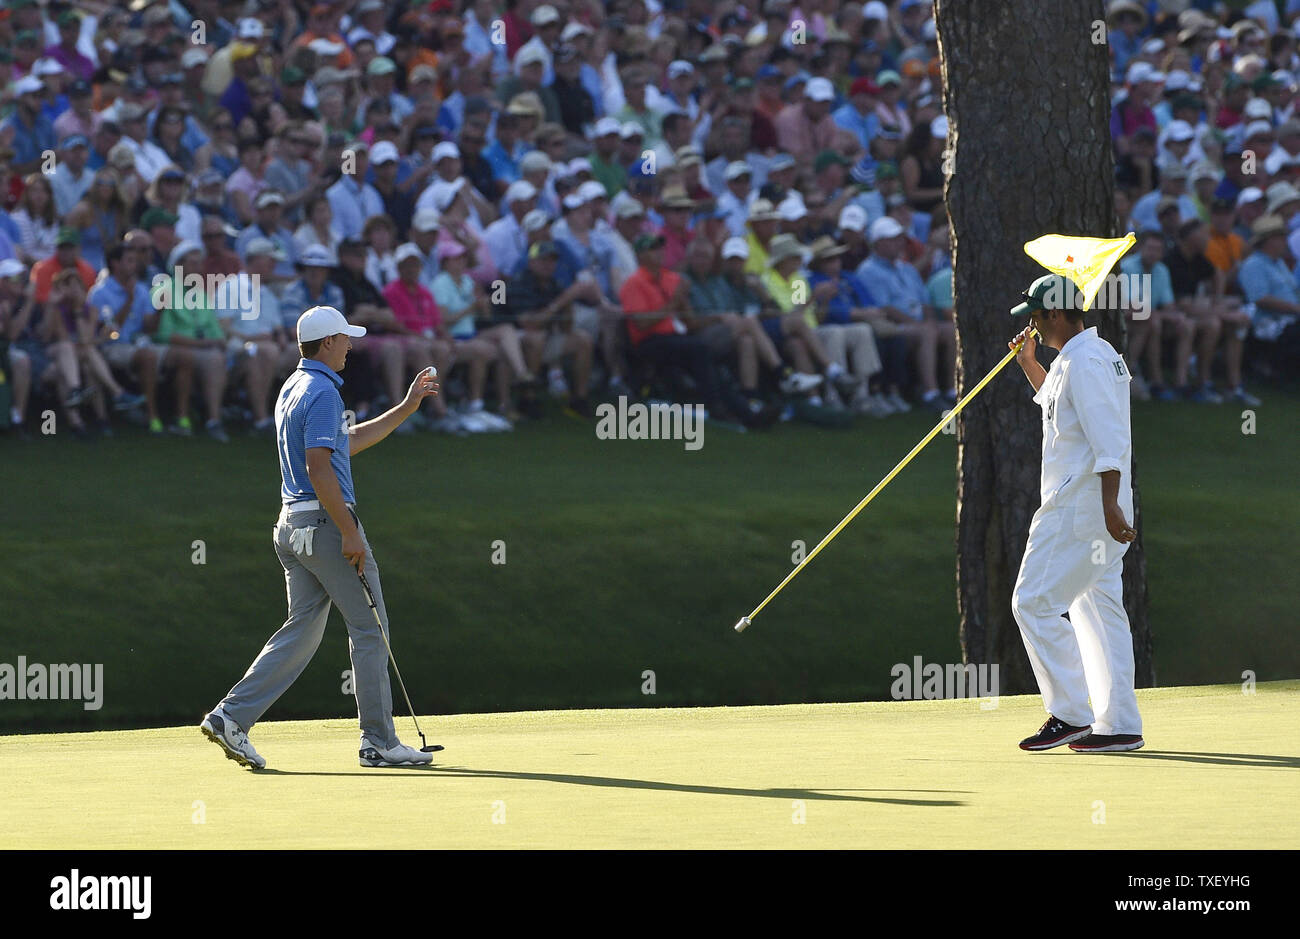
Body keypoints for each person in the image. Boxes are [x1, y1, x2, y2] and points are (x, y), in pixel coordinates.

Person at [200, 305, 443, 770]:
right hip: (326, 526)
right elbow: (319, 466)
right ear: (327, 342)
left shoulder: (293, 386)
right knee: (370, 629)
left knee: (303, 630)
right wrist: (350, 533)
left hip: (291, 527)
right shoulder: (325, 391)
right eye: (345, 338)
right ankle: (380, 742)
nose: (350, 345)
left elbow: (343, 446)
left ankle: (231, 716)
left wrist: (406, 408)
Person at [1008, 273, 1144, 754]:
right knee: (1097, 609)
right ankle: (1119, 723)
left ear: (1058, 313)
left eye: (1037, 317)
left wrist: (1108, 504)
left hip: (1083, 503)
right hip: (1093, 501)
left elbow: (1110, 439)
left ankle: (1069, 714)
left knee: (1031, 602)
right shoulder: (1082, 356)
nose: (1034, 327)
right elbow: (1062, 414)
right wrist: (1030, 365)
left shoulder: (1085, 360)